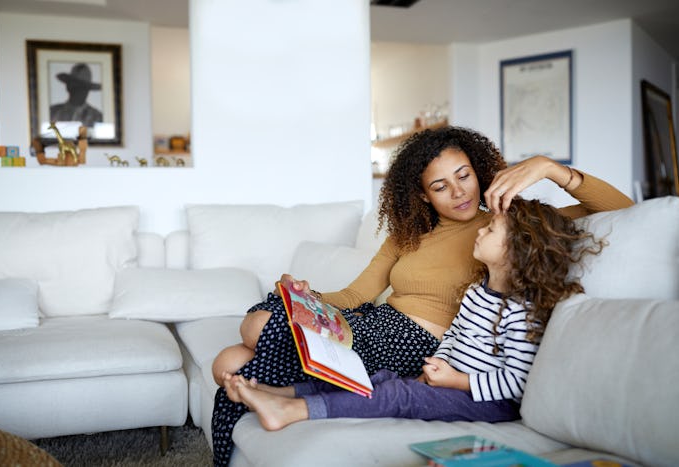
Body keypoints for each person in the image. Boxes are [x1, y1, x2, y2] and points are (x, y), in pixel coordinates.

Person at [210, 126, 633, 466]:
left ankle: (294, 396)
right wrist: (307, 296)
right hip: (374, 326)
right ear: (422, 195)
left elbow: (621, 208)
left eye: (464, 175)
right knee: (233, 358)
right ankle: (291, 395)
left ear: (479, 169)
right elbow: (357, 293)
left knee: (244, 347)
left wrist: (550, 168)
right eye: (440, 186)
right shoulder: (407, 235)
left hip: (420, 345)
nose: (459, 192)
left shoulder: (508, 229)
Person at [223, 197, 604, 430]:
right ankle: (282, 390)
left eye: (491, 230)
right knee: (380, 379)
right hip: (441, 375)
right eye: (438, 186)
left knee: (397, 396)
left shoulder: (521, 312)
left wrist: (454, 381)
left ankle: (294, 410)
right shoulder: (476, 291)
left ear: (518, 249)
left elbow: (516, 383)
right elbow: (453, 336)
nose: (480, 232)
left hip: (483, 400)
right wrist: (435, 366)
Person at [50, 63, 103, 128]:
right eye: (75, 86)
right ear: (68, 87)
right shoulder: (53, 112)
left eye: (83, 87)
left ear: (88, 90)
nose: (79, 91)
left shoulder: (97, 117)